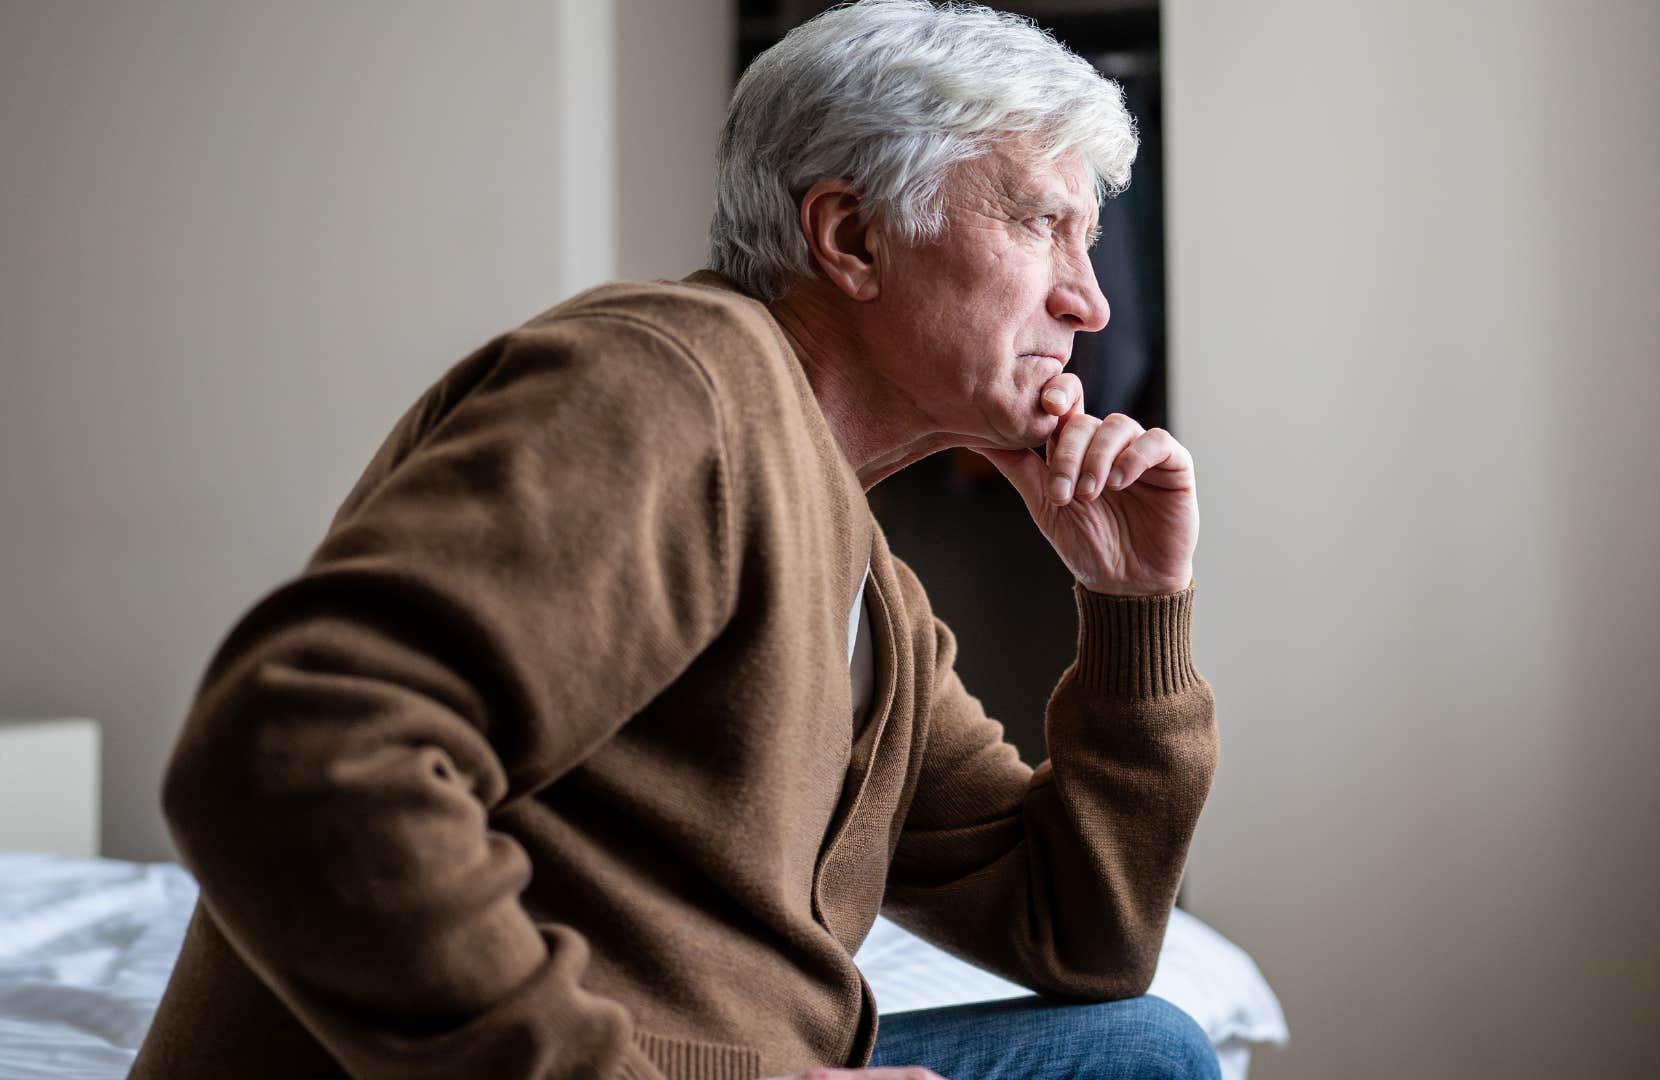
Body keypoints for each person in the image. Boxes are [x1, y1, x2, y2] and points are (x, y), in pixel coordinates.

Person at [131, 2, 1219, 1078]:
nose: (1090, 302)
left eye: (1088, 240)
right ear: (850, 236)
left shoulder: (865, 576)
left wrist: (1133, 606)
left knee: (1135, 1049)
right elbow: (295, 755)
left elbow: (1085, 937)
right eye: (1040, 225)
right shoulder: (672, 383)